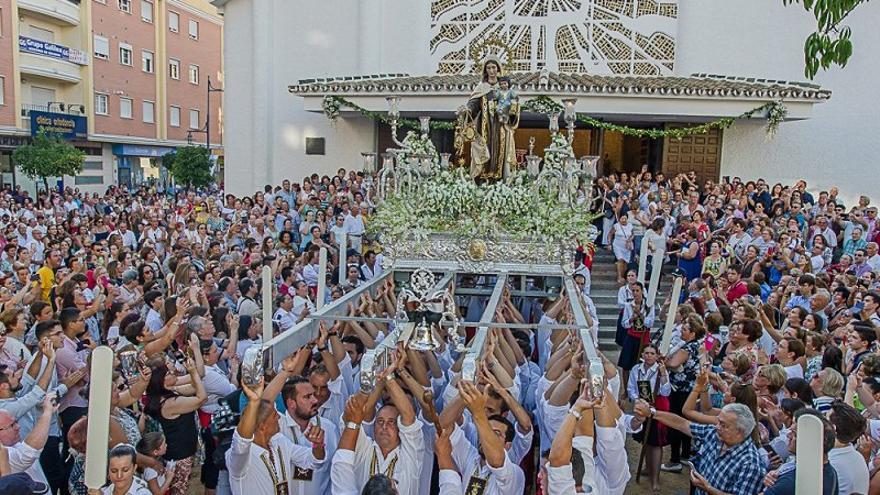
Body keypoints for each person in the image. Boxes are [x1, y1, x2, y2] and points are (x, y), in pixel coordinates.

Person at [634, 401, 765, 495]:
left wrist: (708, 489)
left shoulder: (751, 464)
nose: (717, 426)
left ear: (740, 432)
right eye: (718, 421)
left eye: (724, 425)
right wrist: (652, 413)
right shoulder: (715, 434)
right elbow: (682, 424)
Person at [226, 379, 324, 495]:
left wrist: (318, 445)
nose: (279, 417)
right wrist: (253, 402)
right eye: (274, 415)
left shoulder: (279, 441)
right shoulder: (241, 458)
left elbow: (312, 460)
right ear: (262, 427)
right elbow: (241, 441)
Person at [763, 408, 839, 495]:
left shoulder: (790, 482)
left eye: (794, 433)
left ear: (809, 441)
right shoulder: (830, 472)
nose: (788, 435)